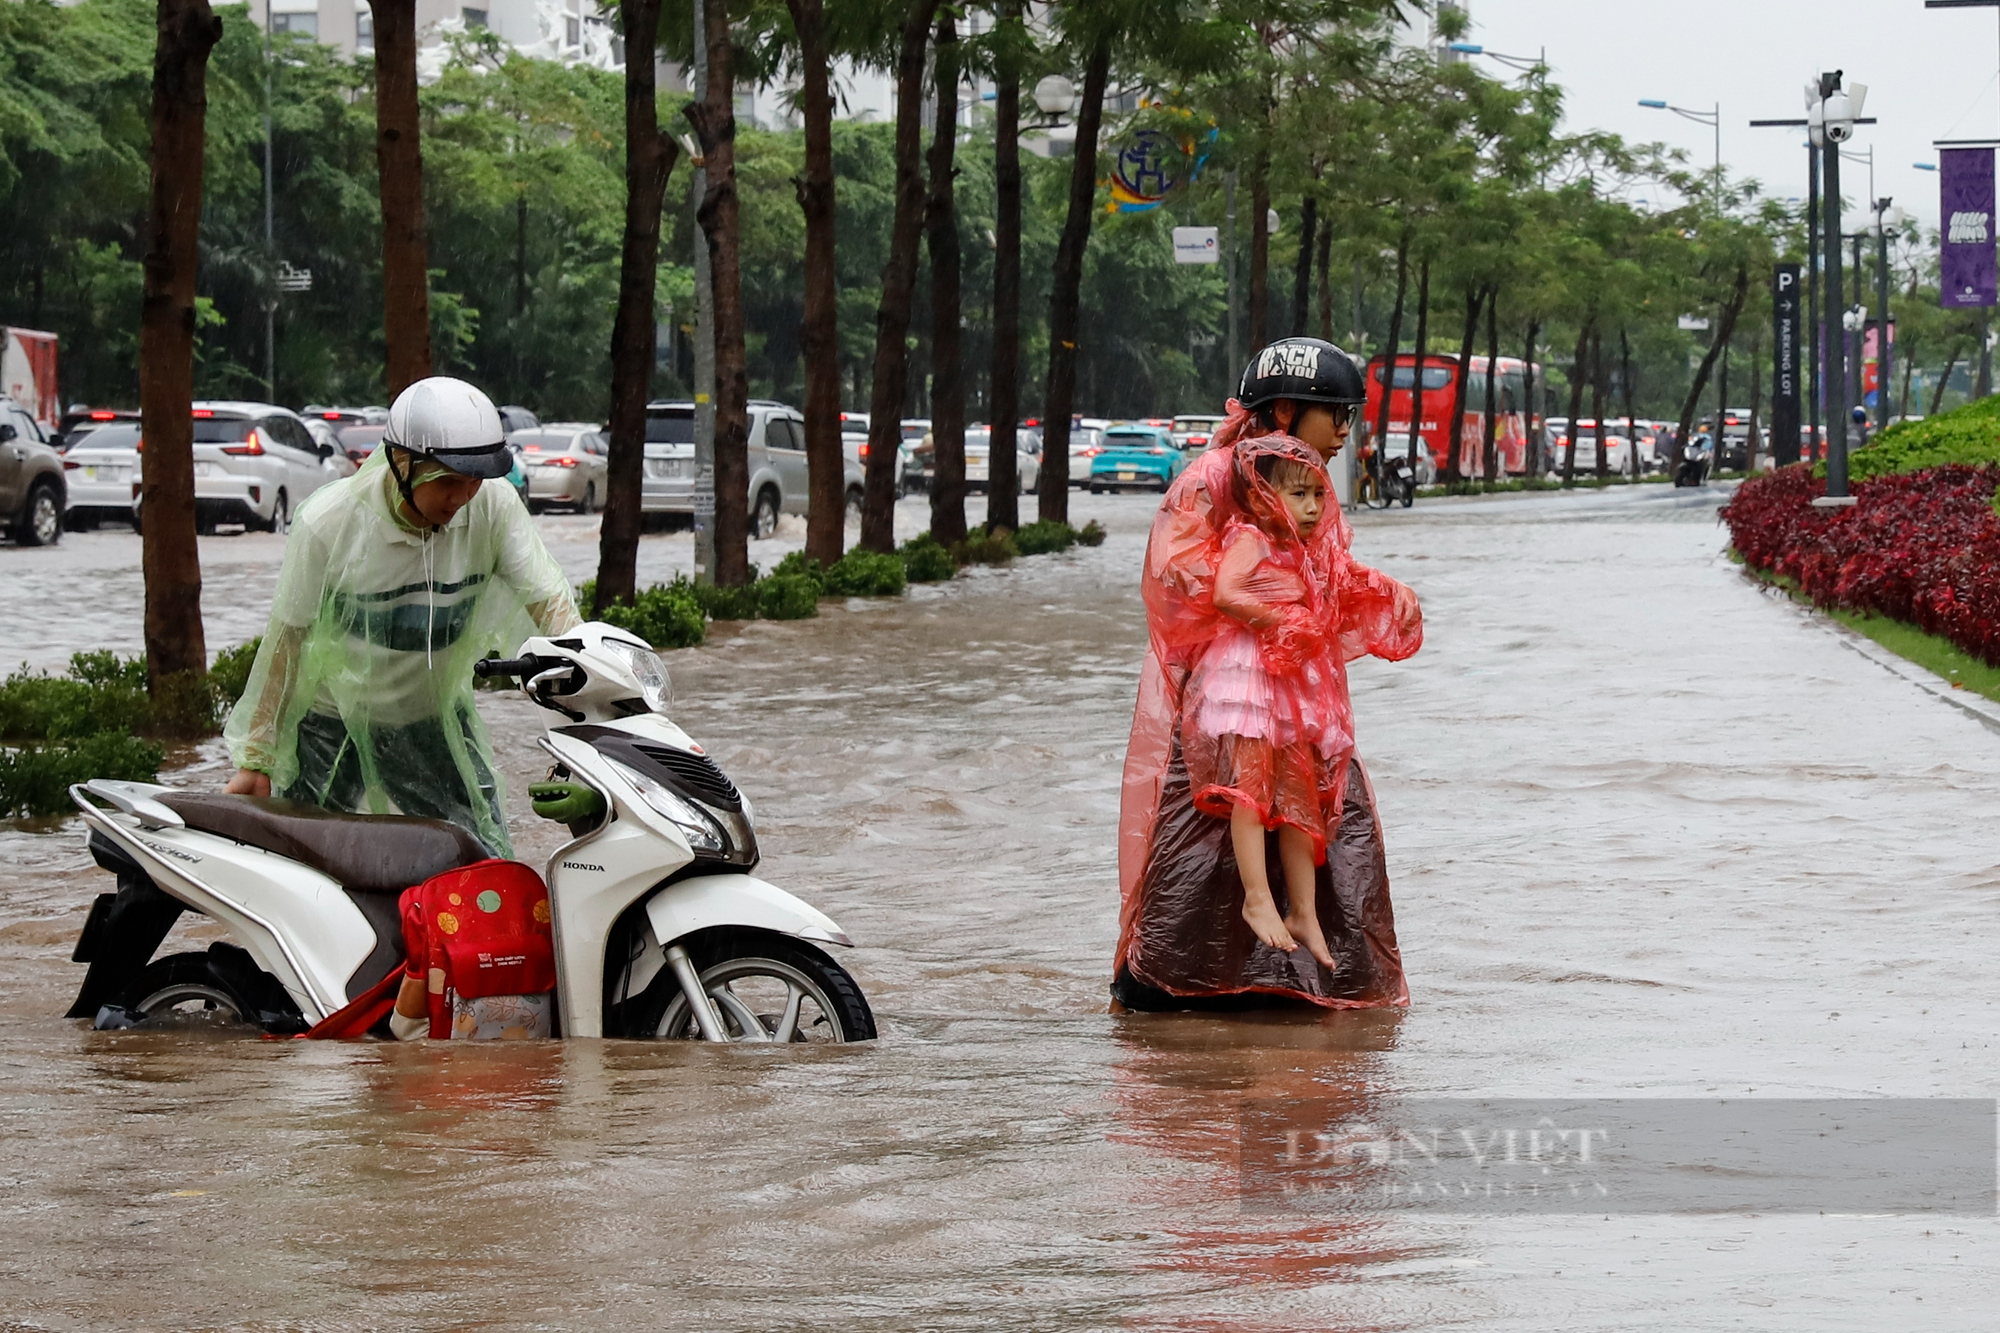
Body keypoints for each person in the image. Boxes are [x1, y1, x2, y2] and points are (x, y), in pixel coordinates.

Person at [1114, 338, 1424, 1011]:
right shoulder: (1214, 479)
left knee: (1330, 828)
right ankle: (1179, 992)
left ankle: (1323, 987)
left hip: (1300, 703)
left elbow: (1325, 575)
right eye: (1334, 414)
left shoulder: (1307, 480)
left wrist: (1377, 589)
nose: (1344, 432)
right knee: (1204, 838)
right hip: (1229, 702)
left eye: (1348, 418)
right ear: (1286, 409)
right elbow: (1177, 576)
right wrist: (1264, 620)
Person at [222, 377, 580, 858]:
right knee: (305, 868)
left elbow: (550, 601)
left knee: (483, 864)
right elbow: (286, 645)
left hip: (432, 721)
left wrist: (592, 681)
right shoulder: (329, 524)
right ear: (402, 463)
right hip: (332, 727)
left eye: (474, 480)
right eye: (449, 481)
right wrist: (257, 758)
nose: (463, 496)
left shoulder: (493, 507)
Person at [1183, 439, 1349, 970]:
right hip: (1250, 673)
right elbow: (1226, 595)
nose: (1312, 508)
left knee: (1300, 795)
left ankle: (1304, 911)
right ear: (1260, 498)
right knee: (1251, 789)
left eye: (1318, 496)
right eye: (1298, 494)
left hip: (1289, 677)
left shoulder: (1298, 551)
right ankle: (1257, 898)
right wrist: (1279, 619)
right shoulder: (1251, 539)